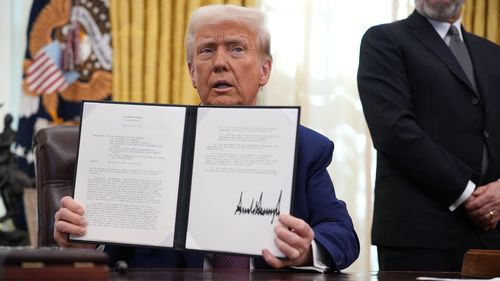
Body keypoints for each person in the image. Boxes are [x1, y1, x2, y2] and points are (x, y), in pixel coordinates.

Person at [54, 4, 359, 272]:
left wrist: (306, 250)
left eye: (237, 49)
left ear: (265, 70)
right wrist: (86, 242)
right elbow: (115, 252)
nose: (220, 62)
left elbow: (343, 235)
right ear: (192, 73)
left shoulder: (305, 148)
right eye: (207, 50)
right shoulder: (144, 141)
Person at [357, 0, 500, 272]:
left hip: (491, 236)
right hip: (418, 238)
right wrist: (468, 194)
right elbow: (395, 132)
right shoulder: (384, 40)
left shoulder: (494, 54)